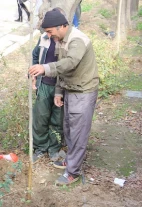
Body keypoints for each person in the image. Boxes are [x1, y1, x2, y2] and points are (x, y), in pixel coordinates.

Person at [28, 9, 99, 185]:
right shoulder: (61, 39)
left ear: (62, 27)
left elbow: (69, 63)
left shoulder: (77, 40)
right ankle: (71, 160)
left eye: (50, 32)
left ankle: (73, 172)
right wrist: (59, 92)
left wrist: (45, 68)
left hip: (83, 92)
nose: (49, 36)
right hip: (70, 90)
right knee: (68, 128)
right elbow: (63, 71)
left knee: (78, 133)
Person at [32, 33, 63, 162]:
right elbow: (35, 56)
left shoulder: (66, 41)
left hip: (61, 85)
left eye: (51, 30)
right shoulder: (43, 38)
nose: (49, 33)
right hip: (44, 84)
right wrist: (33, 74)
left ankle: (54, 149)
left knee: (58, 118)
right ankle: (40, 147)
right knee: (40, 117)